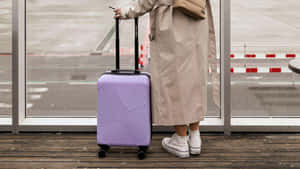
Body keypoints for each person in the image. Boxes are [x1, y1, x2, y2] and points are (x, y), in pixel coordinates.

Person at [113, 0, 218, 158]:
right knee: (194, 77)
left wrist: (128, 11)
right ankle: (195, 137)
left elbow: (148, 1)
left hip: (172, 22)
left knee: (174, 79)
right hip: (197, 16)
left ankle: (181, 140)